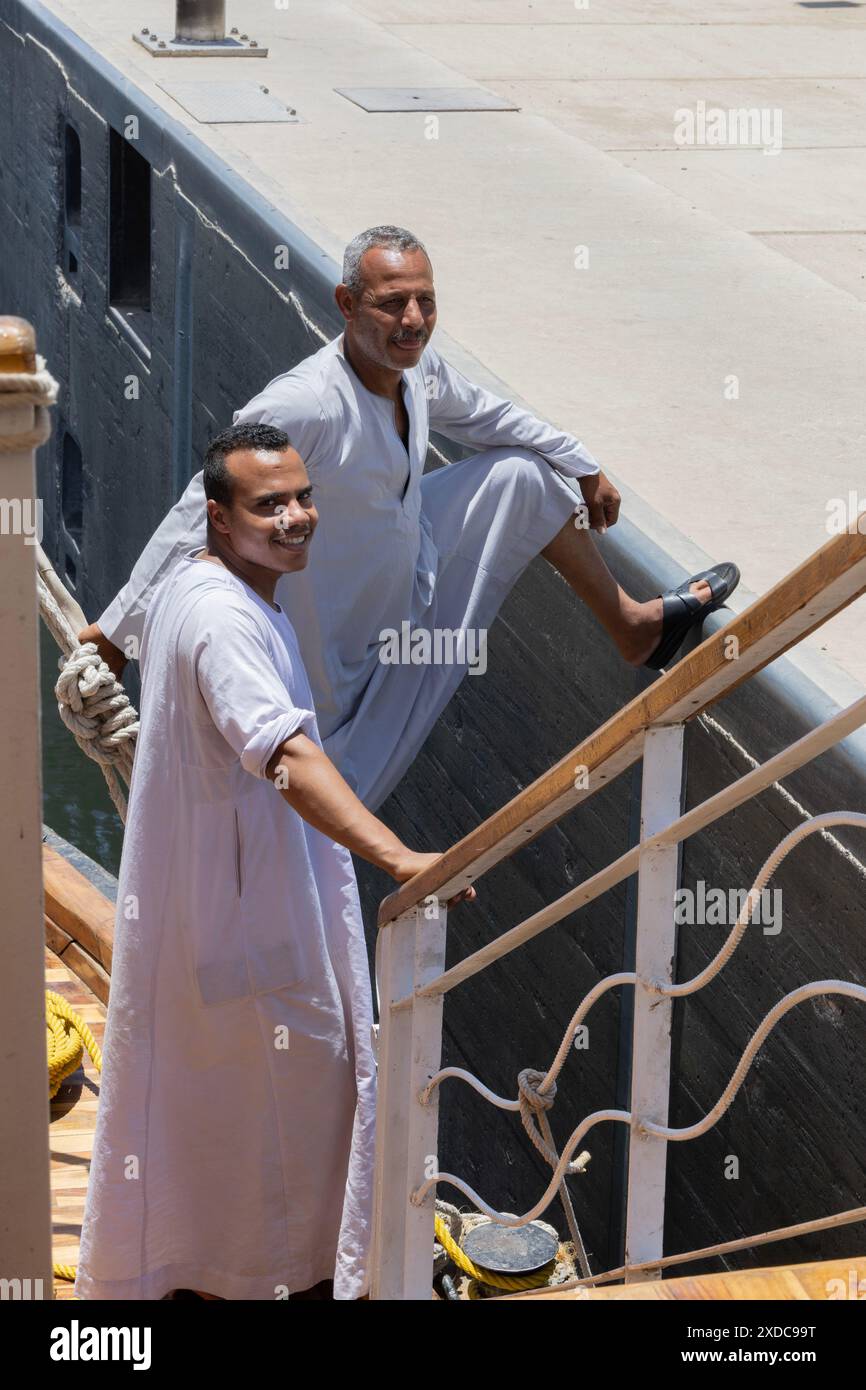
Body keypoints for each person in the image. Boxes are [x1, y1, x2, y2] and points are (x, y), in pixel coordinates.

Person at [79, 225, 738, 811]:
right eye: (392, 303)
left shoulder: (415, 374)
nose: (413, 319)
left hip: (412, 594)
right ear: (345, 305)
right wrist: (115, 636)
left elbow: (490, 415)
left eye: (425, 301)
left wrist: (585, 465)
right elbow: (205, 504)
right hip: (333, 661)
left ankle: (635, 628)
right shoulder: (304, 404)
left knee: (525, 476)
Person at [74, 423, 473, 1302]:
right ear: (218, 517)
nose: (294, 517)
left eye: (301, 497)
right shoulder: (224, 622)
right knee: (292, 1124)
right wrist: (397, 855)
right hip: (254, 932)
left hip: (210, 920)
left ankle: (201, 1276)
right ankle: (269, 1282)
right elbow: (284, 754)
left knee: (207, 1119)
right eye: (268, 505)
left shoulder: (197, 585)